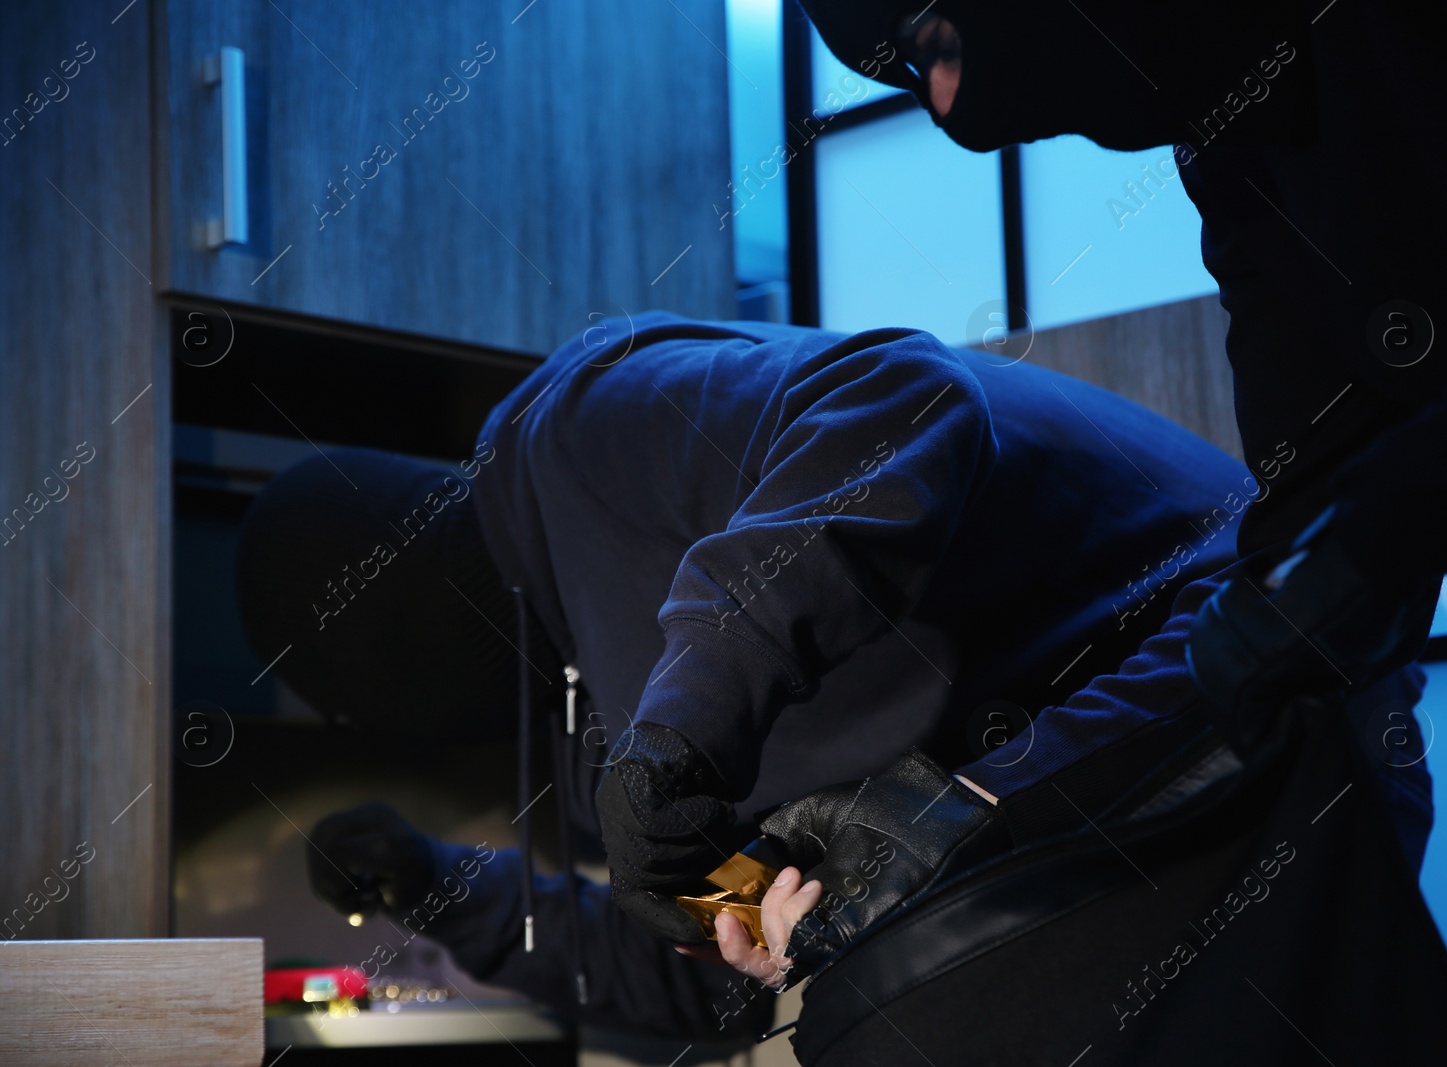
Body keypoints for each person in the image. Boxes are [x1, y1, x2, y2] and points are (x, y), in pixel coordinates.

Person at [742, 0, 1447, 975]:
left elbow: (1382, 508)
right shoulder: (1238, 157)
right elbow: (1304, 522)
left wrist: (1415, 503)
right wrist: (974, 812)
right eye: (904, 81)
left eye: (939, 46)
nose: (947, 113)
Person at [236, 311, 1262, 1039]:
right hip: (1054, 794)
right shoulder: (582, 727)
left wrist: (689, 722)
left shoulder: (582, 430)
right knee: (870, 1015)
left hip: (1216, 623)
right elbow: (706, 987)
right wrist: (442, 888)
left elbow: (903, 403)